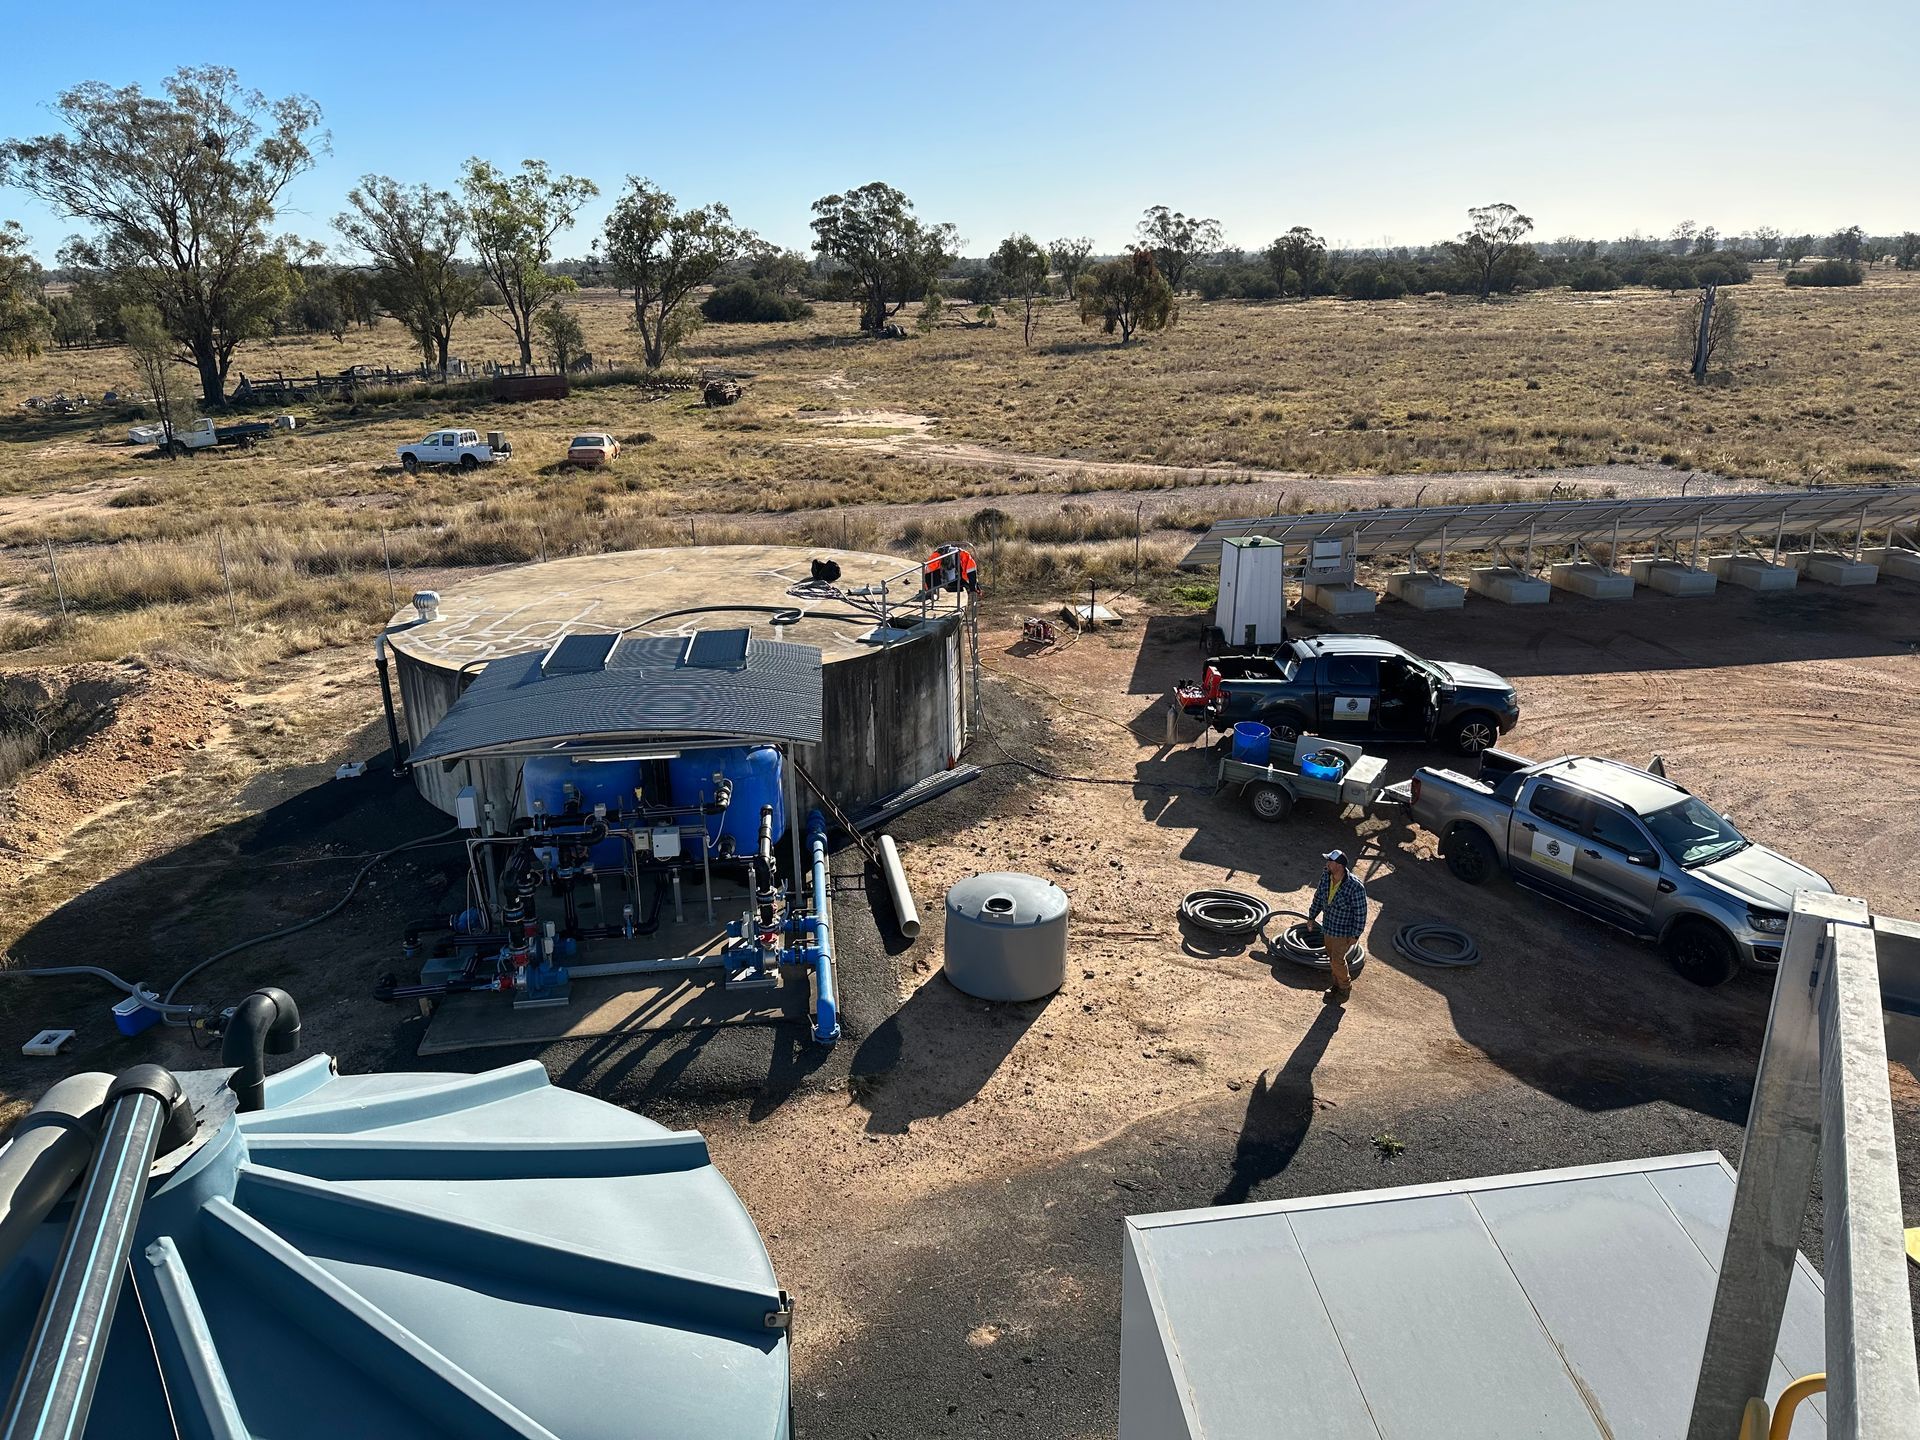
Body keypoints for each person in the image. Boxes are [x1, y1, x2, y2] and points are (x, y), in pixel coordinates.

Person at [1305, 849, 1368, 1004]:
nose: (1327, 863)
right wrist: (1311, 917)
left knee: (1337, 961)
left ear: (1339, 866)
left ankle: (1345, 988)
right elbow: (1318, 898)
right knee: (1332, 959)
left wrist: (1355, 935)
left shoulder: (1355, 887)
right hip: (1328, 928)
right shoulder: (1326, 877)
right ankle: (1336, 986)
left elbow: (1361, 913)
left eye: (1330, 861)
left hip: (1343, 933)